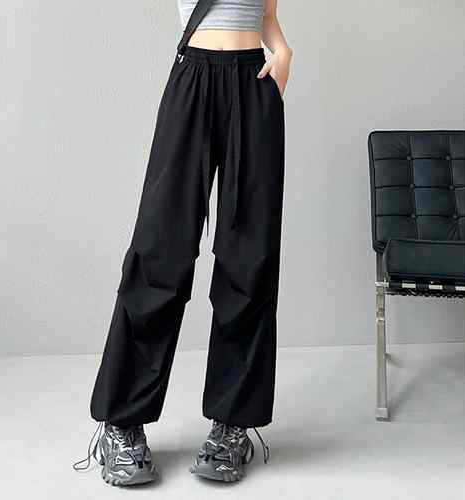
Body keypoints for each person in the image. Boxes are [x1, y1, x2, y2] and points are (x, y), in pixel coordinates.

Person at [73, 0, 292, 485]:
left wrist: (281, 52)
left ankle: (232, 425)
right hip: (193, 78)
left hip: (254, 83)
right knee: (160, 251)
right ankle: (121, 422)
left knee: (250, 257)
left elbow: (267, 15)